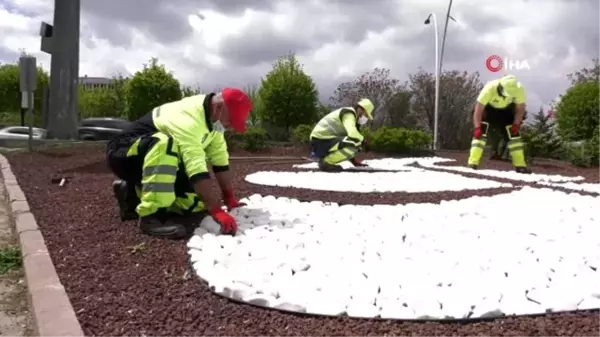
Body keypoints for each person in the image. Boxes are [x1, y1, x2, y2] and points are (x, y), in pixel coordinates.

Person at [105, 89, 252, 239]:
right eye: (230, 121)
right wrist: (216, 210)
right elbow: (196, 169)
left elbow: (220, 162)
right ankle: (151, 217)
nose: (231, 127)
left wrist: (229, 198)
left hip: (151, 159)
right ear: (219, 108)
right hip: (124, 154)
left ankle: (131, 194)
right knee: (164, 143)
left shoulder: (214, 124)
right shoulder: (189, 119)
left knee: (194, 204)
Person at [467, 74, 532, 174]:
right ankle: (472, 163)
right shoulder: (490, 88)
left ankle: (520, 165)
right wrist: (477, 127)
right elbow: (478, 110)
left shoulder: (519, 89)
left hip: (506, 111)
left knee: (514, 137)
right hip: (488, 109)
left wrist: (516, 124)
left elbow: (520, 109)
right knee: (480, 134)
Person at [309, 98, 375, 172]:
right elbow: (352, 135)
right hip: (320, 142)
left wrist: (354, 162)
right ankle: (326, 162)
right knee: (356, 142)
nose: (365, 118)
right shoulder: (349, 114)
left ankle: (327, 160)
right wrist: (363, 141)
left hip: (322, 142)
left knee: (356, 142)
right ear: (360, 109)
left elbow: (346, 143)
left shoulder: (352, 118)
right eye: (365, 115)